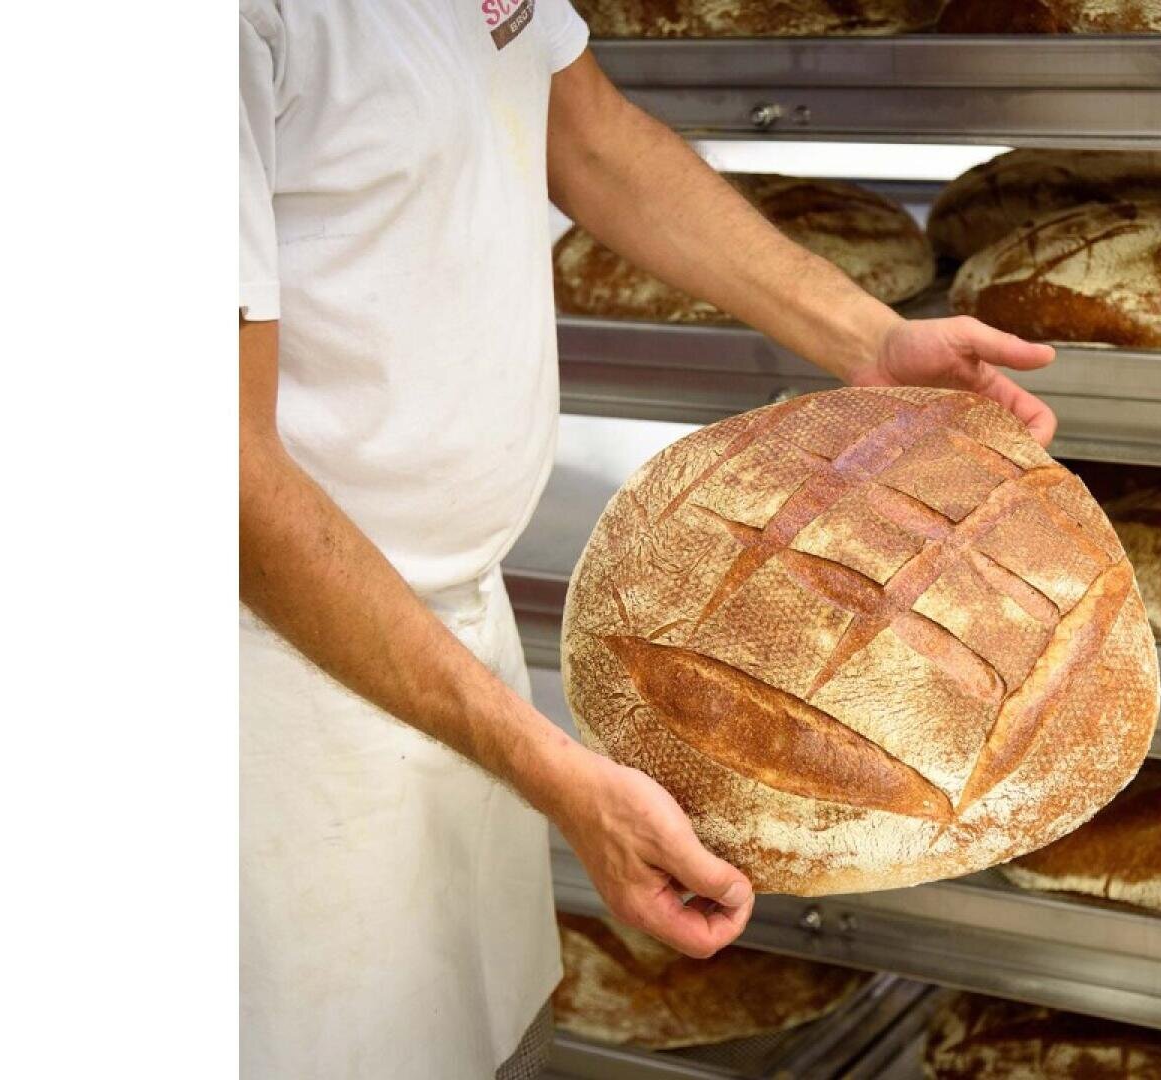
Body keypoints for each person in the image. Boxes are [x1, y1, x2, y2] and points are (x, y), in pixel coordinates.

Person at [238, 1, 1059, 1075]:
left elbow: (584, 131)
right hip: (273, 699)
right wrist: (557, 774)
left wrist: (871, 337)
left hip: (445, 649)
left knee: (486, 1039)